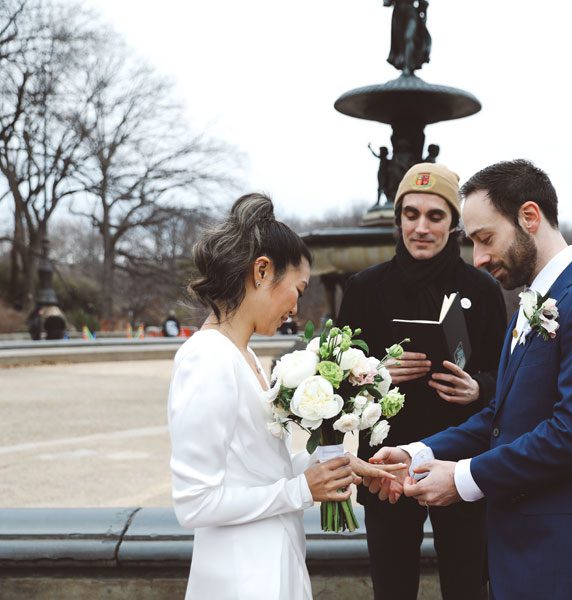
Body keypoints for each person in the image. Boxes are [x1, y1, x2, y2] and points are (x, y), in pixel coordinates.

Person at [368, 160, 572, 599]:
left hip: (567, 562)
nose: (477, 258)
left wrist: (462, 478)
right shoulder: (528, 307)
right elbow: (500, 417)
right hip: (518, 556)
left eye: (485, 238)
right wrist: (417, 452)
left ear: (529, 218)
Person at [167, 193, 404, 600]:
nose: (296, 306)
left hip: (273, 558)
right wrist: (301, 491)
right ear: (262, 271)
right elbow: (195, 503)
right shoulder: (206, 358)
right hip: (240, 574)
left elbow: (259, 468)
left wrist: (333, 462)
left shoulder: (245, 354)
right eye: (298, 287)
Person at [338, 163, 507, 600]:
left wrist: (479, 388)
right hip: (386, 467)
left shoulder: (484, 289)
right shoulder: (363, 288)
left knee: (468, 586)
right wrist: (375, 374)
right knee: (391, 589)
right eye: (410, 214)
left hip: (462, 465)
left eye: (435, 216)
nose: (421, 227)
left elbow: (506, 378)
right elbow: (335, 382)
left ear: (453, 224)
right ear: (398, 219)